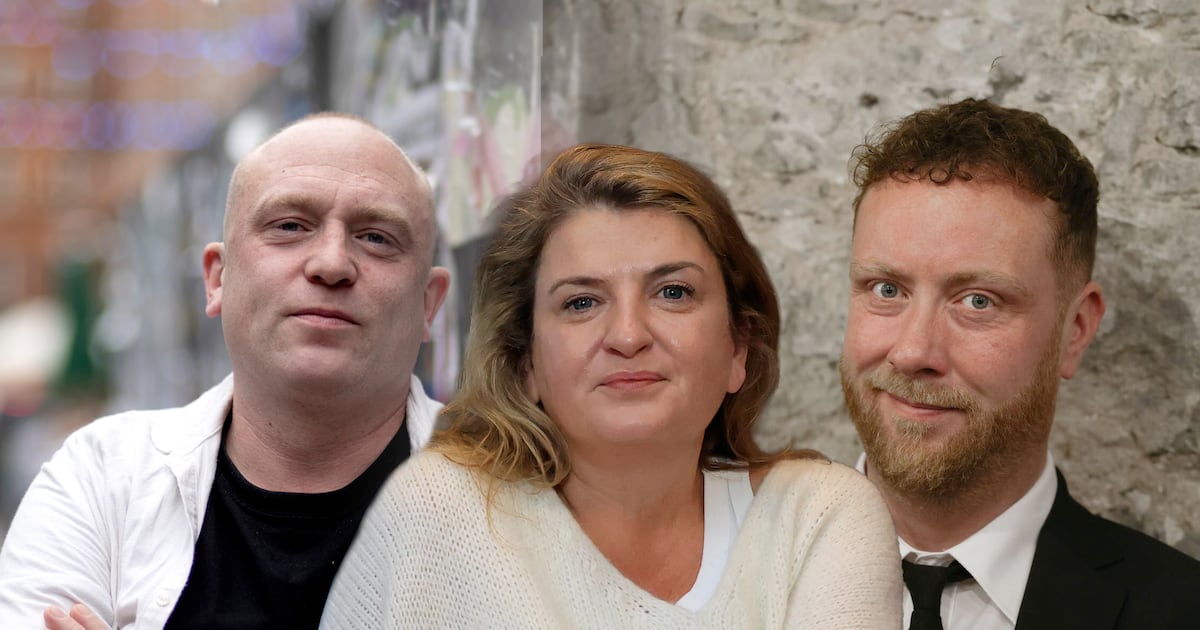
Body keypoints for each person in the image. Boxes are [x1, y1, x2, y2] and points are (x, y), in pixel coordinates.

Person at [320, 143, 903, 629]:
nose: (627, 335)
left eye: (673, 293)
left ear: (738, 349)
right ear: (526, 364)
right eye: (581, 302)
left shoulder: (818, 517)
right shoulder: (436, 513)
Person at [0, 113, 451, 630]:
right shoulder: (101, 481)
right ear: (217, 279)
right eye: (289, 226)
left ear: (428, 303)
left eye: (376, 237)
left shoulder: (507, 497)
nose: (331, 264)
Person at [840, 98, 1200, 630]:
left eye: (978, 301)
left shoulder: (1182, 611)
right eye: (886, 289)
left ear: (1075, 331)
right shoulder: (730, 567)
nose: (913, 352)